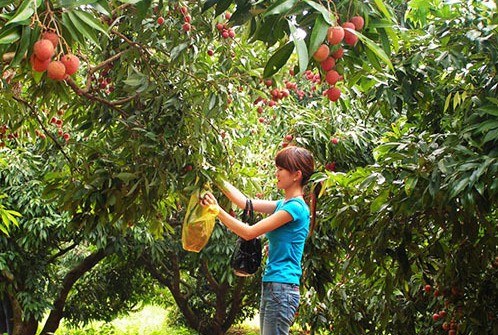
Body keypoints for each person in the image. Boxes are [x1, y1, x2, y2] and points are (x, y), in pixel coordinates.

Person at [200, 145, 319, 335]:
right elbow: (244, 202)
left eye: (281, 169)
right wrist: (214, 176)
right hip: (275, 286)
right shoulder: (284, 204)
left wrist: (217, 210)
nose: (276, 173)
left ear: (296, 175)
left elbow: (249, 233)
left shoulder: (295, 208)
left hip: (282, 288)